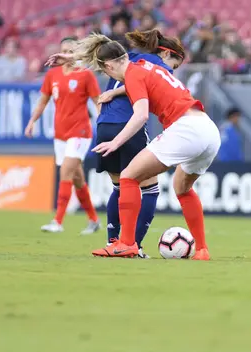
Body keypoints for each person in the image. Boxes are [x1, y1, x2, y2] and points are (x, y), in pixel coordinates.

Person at [63, 32, 220, 260]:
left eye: (106, 70)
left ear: (109, 66)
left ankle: (126, 243)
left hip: (185, 128)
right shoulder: (146, 65)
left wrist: (115, 142)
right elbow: (110, 53)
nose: (108, 74)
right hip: (207, 128)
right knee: (182, 188)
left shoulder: (134, 72)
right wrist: (74, 59)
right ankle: (203, 250)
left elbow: (141, 115)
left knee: (128, 177)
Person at [92, 30, 182, 257]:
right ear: (165, 53)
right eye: (175, 64)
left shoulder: (127, 56)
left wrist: (70, 59)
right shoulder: (155, 66)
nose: (173, 70)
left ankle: (113, 242)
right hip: (128, 123)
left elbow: (104, 51)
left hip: (104, 123)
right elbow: (148, 89)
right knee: (150, 188)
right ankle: (135, 245)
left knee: (119, 186)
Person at [25, 37, 101, 234]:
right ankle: (93, 220)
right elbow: (43, 101)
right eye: (64, 50)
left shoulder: (85, 75)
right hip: (60, 133)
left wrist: (103, 123)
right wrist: (32, 121)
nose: (66, 54)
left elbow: (97, 101)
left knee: (66, 171)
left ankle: (57, 221)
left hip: (80, 132)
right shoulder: (53, 75)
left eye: (70, 50)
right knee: (77, 178)